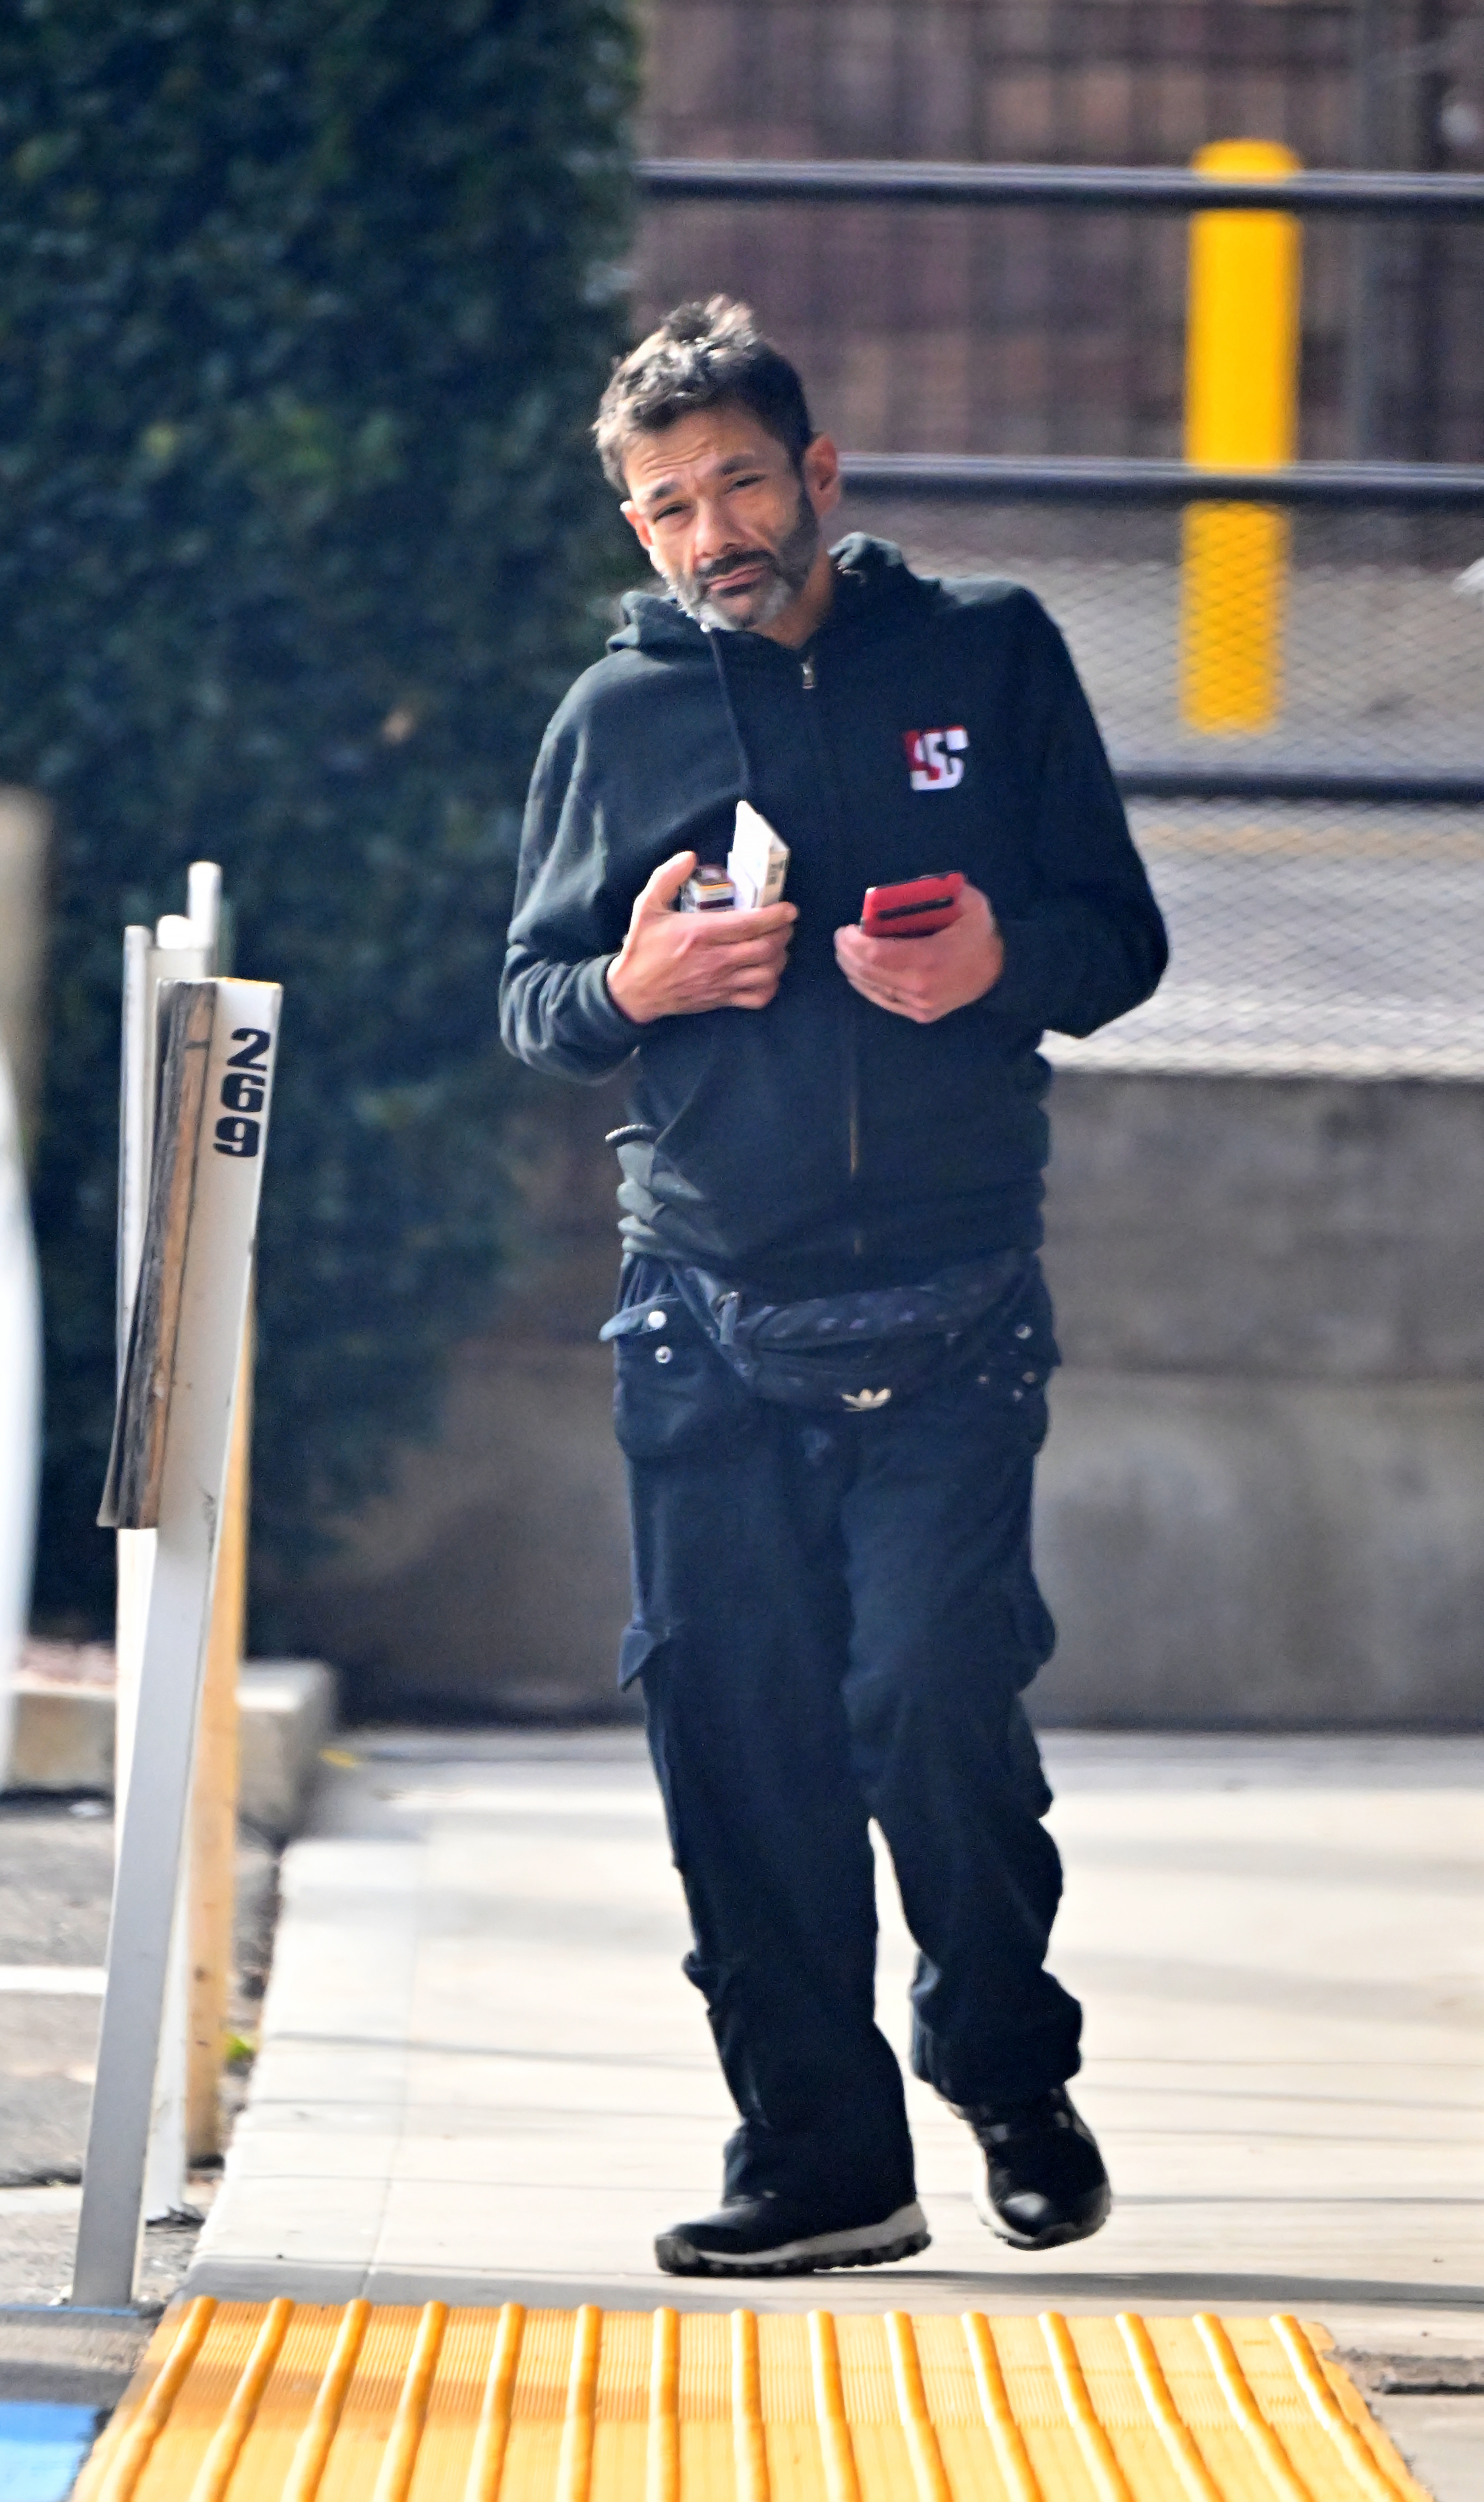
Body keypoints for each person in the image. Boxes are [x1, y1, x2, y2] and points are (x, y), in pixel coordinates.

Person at [500, 298, 1167, 2279]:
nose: (705, 531)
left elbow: (1115, 936)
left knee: (931, 1699)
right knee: (742, 1745)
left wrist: (998, 965)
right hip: (699, 1317)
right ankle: (820, 2158)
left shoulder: (988, 653)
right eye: (660, 507)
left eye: (732, 484)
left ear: (818, 476)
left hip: (956, 1307)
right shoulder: (611, 720)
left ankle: (1004, 2068)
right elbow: (535, 1003)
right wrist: (634, 985)